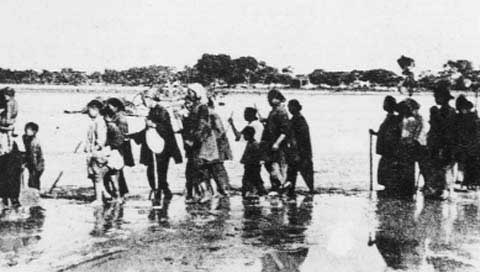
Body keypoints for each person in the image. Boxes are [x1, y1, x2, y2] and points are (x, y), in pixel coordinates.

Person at [129, 104, 183, 205]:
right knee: (154, 171)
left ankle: (158, 193)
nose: (145, 102)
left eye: (147, 99)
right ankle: (163, 191)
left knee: (158, 171)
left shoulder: (162, 111)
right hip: (152, 145)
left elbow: (167, 130)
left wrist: (154, 125)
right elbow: (147, 131)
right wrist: (133, 136)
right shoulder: (152, 111)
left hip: (162, 147)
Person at [425, 81, 457, 199]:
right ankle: (441, 189)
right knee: (440, 166)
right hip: (442, 143)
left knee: (440, 166)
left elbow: (442, 128)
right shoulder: (451, 111)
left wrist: (434, 115)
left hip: (442, 143)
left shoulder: (444, 111)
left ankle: (441, 190)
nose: (435, 98)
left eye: (436, 96)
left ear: (442, 97)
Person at [283, 99, 315, 198]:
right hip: (301, 151)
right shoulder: (297, 119)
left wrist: (297, 152)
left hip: (301, 151)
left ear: (296, 107)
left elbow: (299, 137)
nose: (289, 109)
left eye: (290, 107)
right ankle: (293, 191)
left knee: (301, 172)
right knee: (297, 172)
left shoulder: (298, 120)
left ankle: (308, 191)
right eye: (289, 107)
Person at [370, 96, 401, 194]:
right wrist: (375, 133)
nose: (384, 105)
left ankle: (390, 186)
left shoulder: (393, 118)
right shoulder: (389, 117)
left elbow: (391, 133)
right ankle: (387, 186)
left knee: (387, 165)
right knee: (385, 165)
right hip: (386, 147)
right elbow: (384, 131)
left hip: (389, 148)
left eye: (386, 103)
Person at [261, 89, 290, 193]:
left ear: (278, 99)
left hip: (278, 144)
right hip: (271, 142)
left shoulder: (281, 111)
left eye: (271, 98)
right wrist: (265, 120)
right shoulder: (274, 111)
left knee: (275, 165)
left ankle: (282, 185)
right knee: (271, 165)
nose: (269, 100)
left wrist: (277, 143)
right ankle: (278, 187)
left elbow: (285, 131)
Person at [84, 99, 111, 204]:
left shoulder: (99, 122)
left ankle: (99, 199)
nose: (88, 113)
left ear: (96, 110)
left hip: (98, 153)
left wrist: (93, 150)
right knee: (94, 174)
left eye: (90, 110)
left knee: (97, 175)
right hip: (95, 152)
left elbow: (101, 140)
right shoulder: (95, 121)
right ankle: (105, 194)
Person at [105, 98, 134, 198]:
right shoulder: (116, 116)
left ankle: (120, 191)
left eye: (112, 106)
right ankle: (122, 191)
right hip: (119, 145)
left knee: (116, 169)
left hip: (119, 146)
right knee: (117, 169)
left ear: (116, 107)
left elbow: (122, 135)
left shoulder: (120, 118)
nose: (110, 107)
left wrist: (114, 146)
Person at [207, 97, 232, 194]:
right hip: (216, 142)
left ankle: (224, 188)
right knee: (216, 166)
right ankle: (222, 188)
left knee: (217, 166)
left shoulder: (212, 114)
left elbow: (220, 130)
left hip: (217, 142)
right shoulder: (211, 113)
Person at [454, 95, 479, 188]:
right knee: (463, 162)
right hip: (463, 143)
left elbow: (476, 131)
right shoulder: (458, 117)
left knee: (471, 164)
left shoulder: (473, 117)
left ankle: (469, 182)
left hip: (471, 144)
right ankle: (462, 180)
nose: (463, 110)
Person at [104, 107, 126, 203]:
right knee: (113, 176)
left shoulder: (110, 126)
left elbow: (118, 140)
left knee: (113, 177)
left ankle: (117, 197)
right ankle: (117, 196)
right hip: (116, 153)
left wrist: (109, 146)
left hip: (113, 154)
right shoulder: (112, 125)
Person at [240, 126, 266, 197]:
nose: (244, 136)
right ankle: (259, 192)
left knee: (252, 180)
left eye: (245, 135)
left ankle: (259, 193)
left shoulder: (254, 144)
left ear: (249, 135)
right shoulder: (251, 143)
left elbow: (258, 156)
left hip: (252, 166)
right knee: (255, 180)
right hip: (251, 166)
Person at [22, 122, 45, 190]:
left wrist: (27, 164)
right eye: (26, 129)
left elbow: (33, 156)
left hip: (37, 165)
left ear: (34, 132)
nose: (26, 130)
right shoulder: (27, 138)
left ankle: (35, 195)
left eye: (29, 129)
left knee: (33, 181)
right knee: (33, 181)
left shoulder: (34, 142)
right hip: (33, 163)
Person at [0, 87, 18, 156]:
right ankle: (9, 151)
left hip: (5, 124)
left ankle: (3, 152)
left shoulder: (9, 103)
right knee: (9, 140)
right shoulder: (14, 102)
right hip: (10, 123)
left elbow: (8, 114)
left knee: (3, 139)